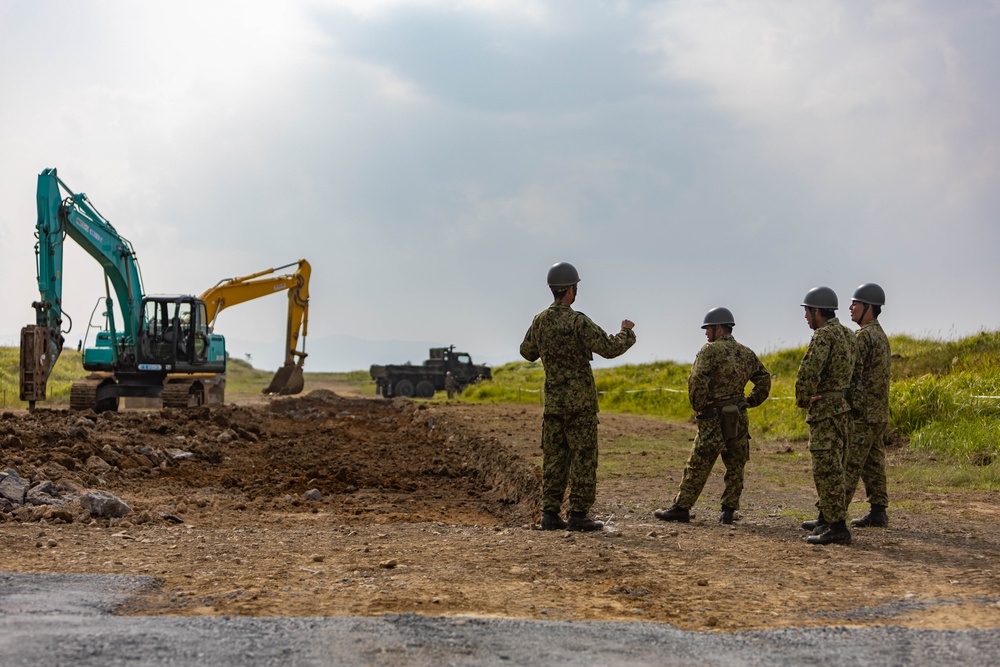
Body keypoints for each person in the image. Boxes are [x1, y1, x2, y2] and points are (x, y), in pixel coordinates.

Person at [520, 261, 636, 532]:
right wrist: (626, 332)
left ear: (553, 290)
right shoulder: (577, 322)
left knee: (554, 458)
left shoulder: (539, 321)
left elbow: (527, 352)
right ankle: (578, 514)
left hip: (553, 405)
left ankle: (549, 514)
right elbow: (609, 348)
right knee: (583, 457)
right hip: (580, 405)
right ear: (571, 289)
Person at [655, 307, 771, 525]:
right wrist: (749, 401)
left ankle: (682, 507)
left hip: (713, 417)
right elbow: (764, 380)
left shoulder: (709, 351)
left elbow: (697, 379)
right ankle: (728, 511)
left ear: (719, 328)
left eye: (708, 329)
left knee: (698, 463)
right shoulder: (746, 353)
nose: (706, 334)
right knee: (736, 464)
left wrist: (700, 405)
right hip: (738, 416)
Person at [795, 286, 861, 546]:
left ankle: (837, 527)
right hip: (843, 410)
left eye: (807, 312)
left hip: (825, 412)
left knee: (827, 469)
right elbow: (857, 376)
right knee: (837, 466)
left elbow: (808, 372)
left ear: (817, 311)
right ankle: (826, 517)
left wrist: (802, 398)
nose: (805, 317)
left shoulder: (823, 336)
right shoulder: (848, 334)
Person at [844, 283, 891, 528]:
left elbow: (852, 376)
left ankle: (831, 515)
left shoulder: (863, 337)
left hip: (862, 413)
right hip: (878, 412)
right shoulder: (881, 335)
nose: (850, 307)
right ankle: (878, 511)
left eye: (856, 303)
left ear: (869, 308)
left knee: (849, 463)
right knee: (873, 462)